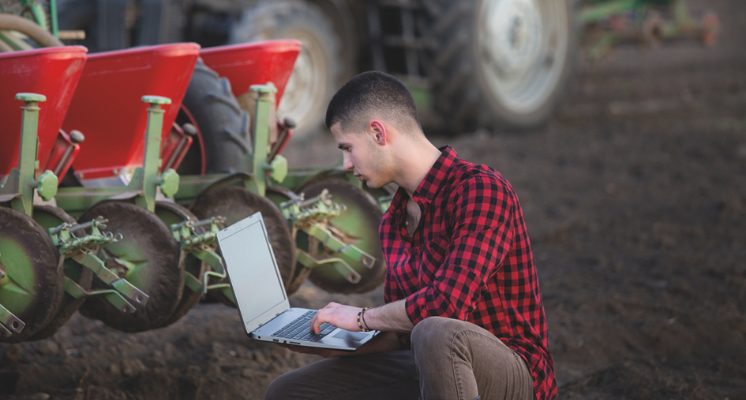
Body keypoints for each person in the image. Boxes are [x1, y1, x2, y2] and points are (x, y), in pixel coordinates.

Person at [265, 71, 556, 400]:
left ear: (377, 132)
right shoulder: (393, 221)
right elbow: (402, 332)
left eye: (347, 148)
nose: (345, 164)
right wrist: (337, 345)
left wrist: (360, 318)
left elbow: (445, 306)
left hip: (514, 375)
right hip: (429, 361)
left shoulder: (480, 189)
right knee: (289, 391)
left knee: (435, 331)